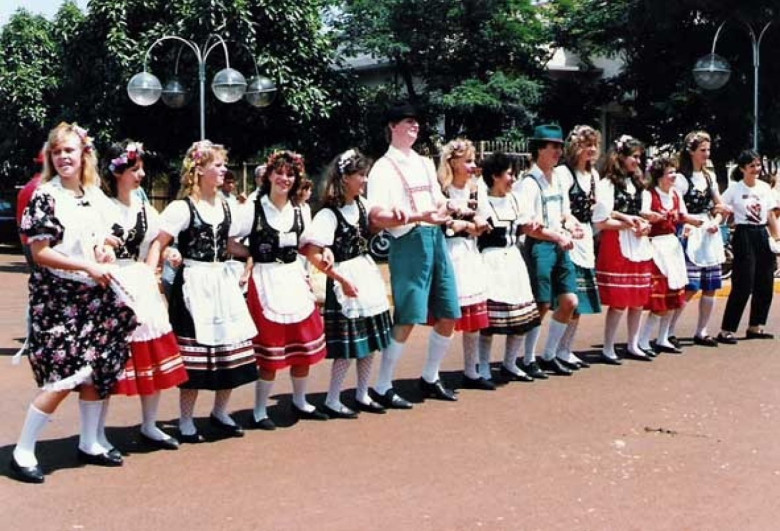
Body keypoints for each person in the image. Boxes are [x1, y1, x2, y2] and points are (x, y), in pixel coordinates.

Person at [9, 122, 138, 483]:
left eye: (70, 150)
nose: (64, 157)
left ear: (84, 154)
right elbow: (41, 252)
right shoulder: (45, 195)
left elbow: (112, 231)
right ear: (50, 157)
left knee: (99, 370)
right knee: (66, 375)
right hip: (59, 298)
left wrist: (105, 248)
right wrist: (87, 264)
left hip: (97, 295)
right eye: (57, 151)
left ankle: (89, 442)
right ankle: (22, 451)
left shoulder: (93, 193)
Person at [147, 140, 259, 443]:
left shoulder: (226, 205)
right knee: (195, 357)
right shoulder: (182, 207)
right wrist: (153, 275)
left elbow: (228, 244)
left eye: (224, 165)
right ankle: (185, 420)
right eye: (218, 165)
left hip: (221, 281)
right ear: (199, 169)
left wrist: (255, 252)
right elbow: (160, 242)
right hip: (194, 282)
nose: (224, 170)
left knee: (230, 350)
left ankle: (221, 412)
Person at [366, 102, 460, 408]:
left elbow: (437, 199)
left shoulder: (422, 162)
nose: (415, 127)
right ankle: (382, 385)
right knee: (407, 316)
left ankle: (430, 377)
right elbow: (377, 216)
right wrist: (417, 216)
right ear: (392, 127)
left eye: (416, 123)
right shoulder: (383, 167)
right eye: (408, 122)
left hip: (435, 239)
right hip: (408, 242)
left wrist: (448, 207)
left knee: (449, 311)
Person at [232, 150, 328, 430]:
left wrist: (326, 252)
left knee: (302, 343)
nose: (285, 178)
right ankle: (260, 410)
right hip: (265, 279)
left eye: (291, 174)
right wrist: (252, 251)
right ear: (269, 175)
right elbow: (228, 240)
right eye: (280, 172)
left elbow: (308, 243)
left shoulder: (301, 209)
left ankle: (300, 400)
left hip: (293, 277)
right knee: (271, 349)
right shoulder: (253, 207)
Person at [102, 140, 188, 449]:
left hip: (138, 282)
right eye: (135, 169)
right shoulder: (101, 205)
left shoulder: (142, 206)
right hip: (109, 283)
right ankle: (96, 432)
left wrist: (156, 267)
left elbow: (156, 241)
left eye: (140, 169)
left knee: (152, 352)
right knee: (111, 361)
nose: (141, 175)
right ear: (118, 172)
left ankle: (150, 424)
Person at [300, 149, 393, 417]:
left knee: (370, 341)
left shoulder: (361, 206)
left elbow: (370, 229)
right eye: (360, 175)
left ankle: (362, 393)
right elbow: (312, 252)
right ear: (345, 179)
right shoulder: (328, 215)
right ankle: (332, 397)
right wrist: (340, 279)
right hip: (344, 279)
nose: (364, 180)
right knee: (347, 347)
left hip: (365, 273)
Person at [515, 124, 584, 377]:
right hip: (539, 246)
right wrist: (556, 235)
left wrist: (572, 224)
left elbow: (565, 213)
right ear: (539, 149)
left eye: (559, 147)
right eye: (552, 146)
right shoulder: (529, 183)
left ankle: (549, 354)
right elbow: (528, 226)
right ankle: (528, 358)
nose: (558, 151)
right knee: (541, 303)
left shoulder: (560, 178)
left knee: (569, 301)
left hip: (559, 244)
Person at [476, 152, 541, 384]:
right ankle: (482, 365)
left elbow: (523, 227)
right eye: (510, 174)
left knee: (521, 318)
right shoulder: (482, 200)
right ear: (495, 176)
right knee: (489, 322)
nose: (513, 179)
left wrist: (530, 225)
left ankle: (510, 363)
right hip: (490, 262)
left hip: (513, 260)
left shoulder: (515, 200)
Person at [436, 139, 493, 389]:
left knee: (474, 316)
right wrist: (468, 225)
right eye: (467, 160)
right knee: (447, 316)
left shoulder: (476, 189)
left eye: (472, 160)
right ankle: (433, 373)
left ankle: (471, 370)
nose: (472, 166)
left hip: (469, 252)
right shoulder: (442, 189)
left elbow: (486, 223)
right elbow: (441, 222)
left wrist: (469, 225)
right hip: (447, 253)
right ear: (452, 162)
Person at [593, 135, 653, 363]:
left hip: (638, 243)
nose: (637, 161)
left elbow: (643, 214)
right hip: (617, 242)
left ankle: (633, 343)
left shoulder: (639, 185)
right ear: (621, 157)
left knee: (638, 299)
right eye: (633, 157)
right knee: (619, 300)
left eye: (639, 157)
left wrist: (644, 225)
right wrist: (627, 223)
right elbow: (601, 221)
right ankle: (608, 346)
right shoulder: (608, 184)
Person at [669, 131, 730, 347]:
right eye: (702, 150)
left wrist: (717, 220)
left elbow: (720, 203)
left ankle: (702, 330)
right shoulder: (681, 179)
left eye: (708, 149)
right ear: (691, 151)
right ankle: (669, 329)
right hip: (690, 231)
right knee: (691, 285)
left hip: (708, 232)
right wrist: (700, 223)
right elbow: (679, 210)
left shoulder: (708, 177)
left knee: (711, 284)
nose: (707, 153)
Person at [637, 152, 697, 355]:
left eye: (675, 172)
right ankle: (643, 340)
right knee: (659, 295)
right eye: (670, 172)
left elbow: (683, 215)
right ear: (659, 175)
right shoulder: (649, 193)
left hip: (672, 246)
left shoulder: (676, 194)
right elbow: (643, 212)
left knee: (674, 293)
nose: (674, 176)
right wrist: (651, 216)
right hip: (655, 246)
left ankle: (662, 338)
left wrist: (693, 223)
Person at [717, 150, 780, 343]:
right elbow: (721, 206)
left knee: (765, 281)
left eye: (758, 165)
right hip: (744, 234)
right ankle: (727, 329)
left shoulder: (764, 188)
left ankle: (756, 326)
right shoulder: (735, 189)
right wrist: (720, 220)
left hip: (761, 233)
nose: (756, 169)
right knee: (743, 282)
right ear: (743, 168)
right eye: (752, 166)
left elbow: (770, 214)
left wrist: (777, 238)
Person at [553, 125, 602, 369]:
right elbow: (562, 209)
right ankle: (552, 350)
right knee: (568, 298)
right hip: (568, 236)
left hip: (586, 238)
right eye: (586, 144)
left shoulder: (593, 176)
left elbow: (598, 208)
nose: (591, 149)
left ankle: (565, 349)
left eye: (594, 144)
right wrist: (571, 225)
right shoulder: (563, 173)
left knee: (580, 301)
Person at [16, 150, 44, 266]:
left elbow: (20, 221)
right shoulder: (48, 188)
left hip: (28, 242)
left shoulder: (27, 188)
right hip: (47, 246)